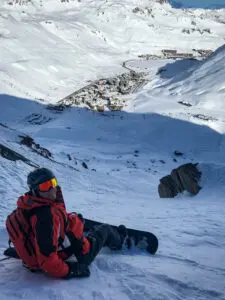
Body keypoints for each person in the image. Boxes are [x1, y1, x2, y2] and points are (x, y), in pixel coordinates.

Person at [5, 168, 127, 279]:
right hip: (76, 253)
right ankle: (120, 240)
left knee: (73, 218)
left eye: (53, 182)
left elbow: (34, 235)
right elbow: (47, 261)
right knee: (104, 230)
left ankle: (76, 223)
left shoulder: (28, 206)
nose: (52, 188)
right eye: (45, 186)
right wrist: (72, 270)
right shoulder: (46, 217)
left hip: (45, 252)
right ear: (35, 190)